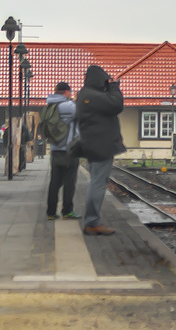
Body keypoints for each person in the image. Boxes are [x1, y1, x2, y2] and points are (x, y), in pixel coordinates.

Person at [76, 65, 124, 236]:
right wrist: (114, 86)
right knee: (98, 183)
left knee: (96, 181)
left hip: (94, 144)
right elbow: (117, 104)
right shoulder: (92, 95)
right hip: (101, 146)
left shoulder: (85, 94)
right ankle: (92, 222)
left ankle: (92, 221)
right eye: (104, 81)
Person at [40, 82, 79, 220]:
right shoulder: (68, 106)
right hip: (69, 151)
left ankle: (51, 212)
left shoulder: (50, 105)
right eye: (70, 92)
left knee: (54, 182)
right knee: (69, 182)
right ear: (66, 92)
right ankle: (67, 211)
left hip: (55, 150)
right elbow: (85, 111)